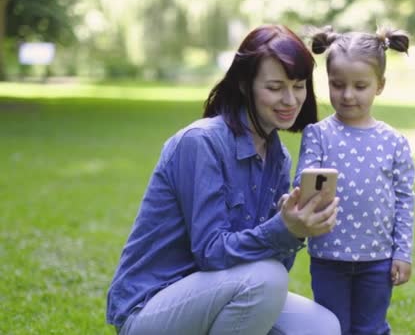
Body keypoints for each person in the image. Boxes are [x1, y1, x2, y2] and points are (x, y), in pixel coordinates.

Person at [106, 24, 342, 335]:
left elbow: (270, 263)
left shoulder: (278, 158)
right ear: (245, 84)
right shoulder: (200, 143)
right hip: (150, 308)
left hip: (221, 295)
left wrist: (296, 232)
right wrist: (281, 229)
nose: (290, 99)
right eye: (274, 87)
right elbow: (212, 253)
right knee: (266, 279)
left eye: (298, 86)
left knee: (321, 326)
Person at [294, 25, 415, 335]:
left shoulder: (394, 142)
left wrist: (401, 252)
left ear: (380, 86)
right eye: (337, 85)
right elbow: (304, 184)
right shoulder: (318, 135)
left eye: (360, 86)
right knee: (332, 328)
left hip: (377, 259)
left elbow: (404, 200)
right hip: (328, 257)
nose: (347, 95)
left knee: (370, 328)